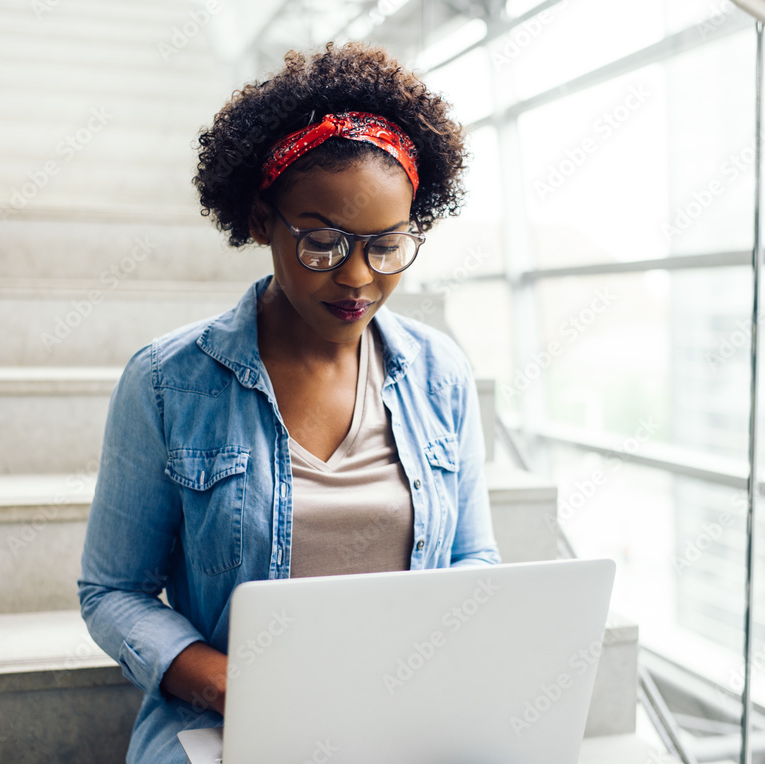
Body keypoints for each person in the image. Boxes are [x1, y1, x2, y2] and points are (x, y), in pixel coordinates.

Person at [77, 41, 501, 764]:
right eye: (323, 242)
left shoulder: (440, 375)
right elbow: (112, 591)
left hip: (403, 719)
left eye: (386, 244)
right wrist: (226, 685)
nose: (357, 277)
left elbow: (472, 558)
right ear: (261, 219)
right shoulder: (168, 382)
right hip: (231, 728)